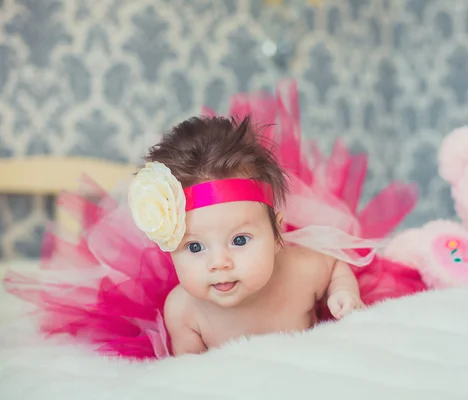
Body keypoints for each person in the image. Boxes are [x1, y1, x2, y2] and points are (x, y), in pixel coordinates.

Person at [4, 80, 426, 359]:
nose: (219, 263)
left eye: (240, 240)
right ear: (169, 248)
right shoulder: (185, 311)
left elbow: (337, 264)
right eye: (194, 247)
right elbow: (194, 381)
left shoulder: (303, 268)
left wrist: (344, 293)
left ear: (277, 232)